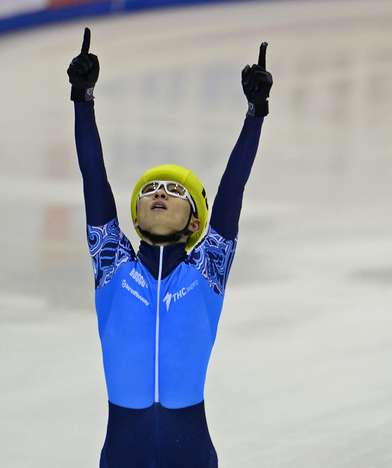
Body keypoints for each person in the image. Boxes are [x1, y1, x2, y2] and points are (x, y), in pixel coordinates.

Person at [68, 27, 273, 467]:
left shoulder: (207, 270)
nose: (159, 194)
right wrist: (82, 99)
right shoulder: (112, 264)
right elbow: (93, 177)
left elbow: (233, 189)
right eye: (151, 190)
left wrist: (255, 114)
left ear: (196, 220)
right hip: (123, 453)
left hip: (191, 453)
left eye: (173, 191)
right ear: (136, 216)